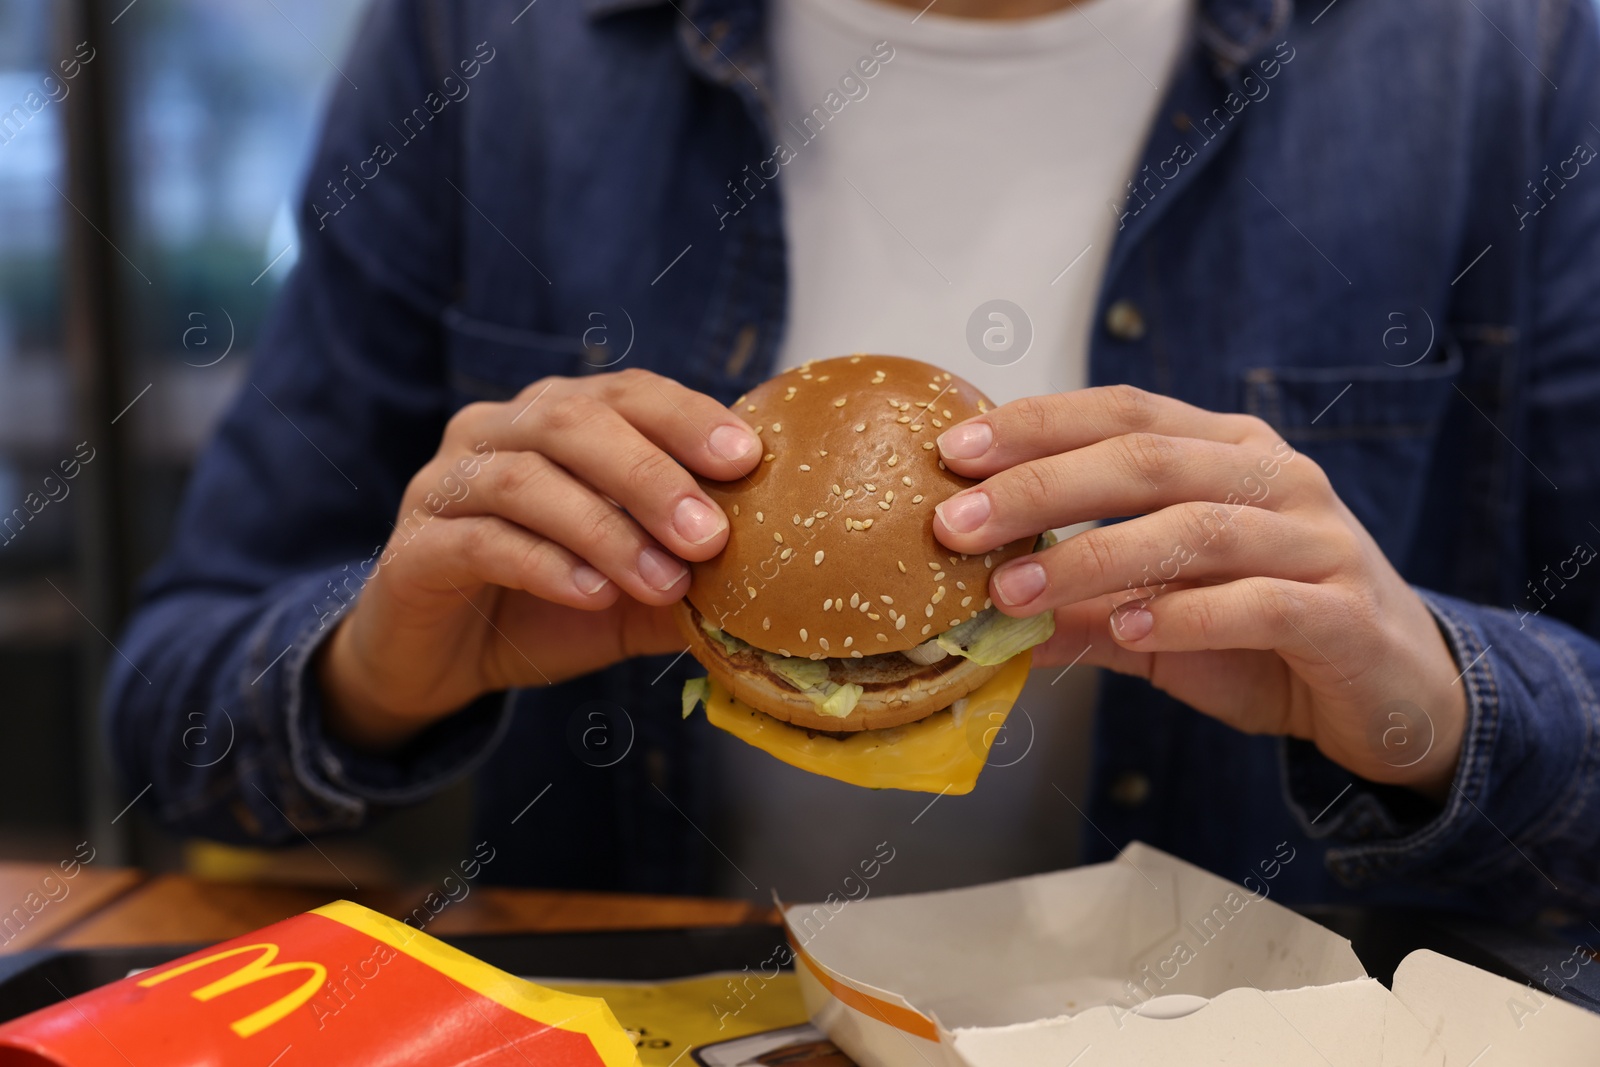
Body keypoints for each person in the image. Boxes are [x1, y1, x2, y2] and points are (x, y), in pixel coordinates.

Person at [108, 0, 1600, 914]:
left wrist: (1442, 709)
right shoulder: (482, 41)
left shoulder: (1509, 61)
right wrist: (376, 673)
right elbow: (158, 728)